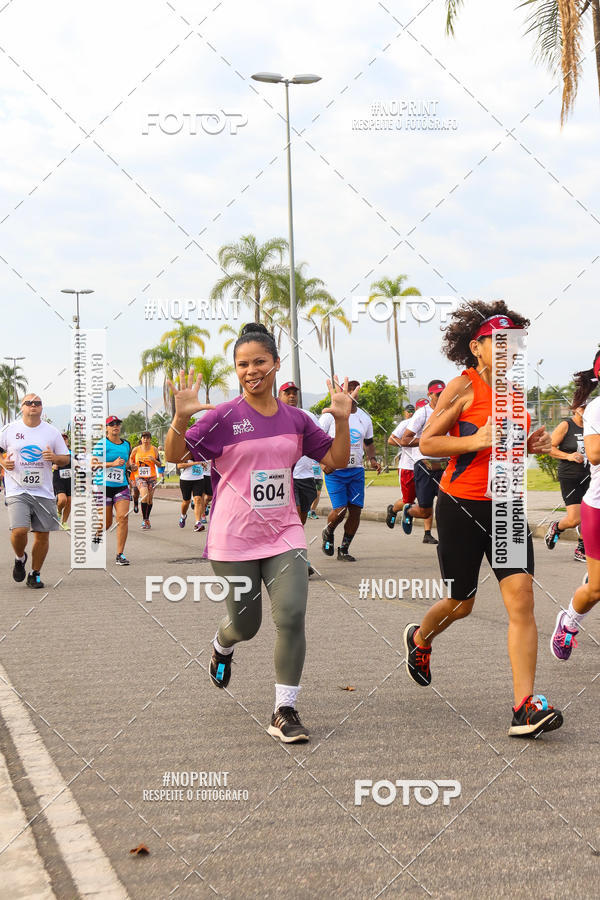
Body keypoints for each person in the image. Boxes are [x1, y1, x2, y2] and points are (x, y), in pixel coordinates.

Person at [165, 322, 352, 743]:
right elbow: (175, 456)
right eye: (243, 364)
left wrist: (341, 420)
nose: (251, 370)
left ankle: (284, 710)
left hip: (285, 532)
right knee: (245, 626)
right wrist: (179, 416)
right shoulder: (223, 418)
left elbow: (335, 461)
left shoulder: (297, 419)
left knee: (291, 616)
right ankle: (222, 643)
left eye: (259, 362)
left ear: (275, 364)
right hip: (233, 538)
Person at [403, 302, 563, 738]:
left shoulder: (516, 391)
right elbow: (429, 443)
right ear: (477, 347)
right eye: (500, 341)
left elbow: (506, 447)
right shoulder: (462, 386)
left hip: (507, 506)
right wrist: (475, 438)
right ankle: (420, 639)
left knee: (522, 599)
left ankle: (524, 707)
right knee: (462, 603)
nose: (511, 348)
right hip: (460, 507)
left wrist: (530, 444)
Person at [551, 349, 600, 660]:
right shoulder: (596, 409)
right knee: (596, 590)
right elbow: (594, 453)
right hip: (598, 508)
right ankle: (567, 625)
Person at [0, 393, 70, 588]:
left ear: (42, 408)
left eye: (37, 403)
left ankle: (35, 573)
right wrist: (3, 461)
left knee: (42, 536)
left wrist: (54, 457)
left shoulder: (52, 432)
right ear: (21, 407)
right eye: (29, 403)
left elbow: (66, 458)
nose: (33, 405)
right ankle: (19, 557)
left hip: (43, 491)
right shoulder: (9, 429)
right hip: (17, 489)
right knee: (20, 530)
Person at [319, 380, 381, 562]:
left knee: (355, 511)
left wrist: (372, 459)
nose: (353, 393)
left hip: (356, 471)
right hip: (335, 471)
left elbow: (369, 443)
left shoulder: (364, 417)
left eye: (356, 390)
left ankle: (344, 549)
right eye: (349, 389)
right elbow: (315, 439)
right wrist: (323, 462)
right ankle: (328, 531)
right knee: (340, 510)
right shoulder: (330, 415)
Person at [278, 380, 326, 576]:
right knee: (295, 518)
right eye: (287, 392)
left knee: (301, 519)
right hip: (286, 476)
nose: (291, 396)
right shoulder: (275, 416)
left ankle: (287, 552)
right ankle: (299, 560)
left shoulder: (307, 416)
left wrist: (324, 462)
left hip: (306, 475)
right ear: (279, 396)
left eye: (294, 393)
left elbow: (319, 441)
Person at [545, 405, 590, 561]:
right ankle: (557, 527)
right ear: (574, 409)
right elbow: (549, 447)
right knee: (575, 519)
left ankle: (581, 549)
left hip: (591, 476)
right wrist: (568, 456)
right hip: (571, 477)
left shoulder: (594, 425)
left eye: (587, 407)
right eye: (582, 407)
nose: (585, 410)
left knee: (590, 514)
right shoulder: (566, 425)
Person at [91, 416, 131, 565]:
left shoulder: (126, 444)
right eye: (112, 424)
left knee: (123, 518)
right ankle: (97, 534)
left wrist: (130, 467)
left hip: (121, 486)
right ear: (106, 428)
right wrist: (111, 464)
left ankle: (120, 554)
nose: (115, 426)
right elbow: (92, 465)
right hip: (103, 487)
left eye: (118, 424)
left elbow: (127, 463)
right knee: (106, 523)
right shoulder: (102, 444)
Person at [385, 402, 419, 528]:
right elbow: (391, 440)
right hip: (408, 467)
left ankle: (427, 533)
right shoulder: (405, 424)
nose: (411, 413)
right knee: (408, 500)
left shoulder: (431, 423)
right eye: (409, 411)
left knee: (426, 499)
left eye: (413, 411)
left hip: (425, 467)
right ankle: (393, 510)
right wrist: (408, 443)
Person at [129, 431, 162, 530]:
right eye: (144, 438)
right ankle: (145, 520)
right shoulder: (136, 449)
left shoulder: (154, 450)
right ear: (141, 439)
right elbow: (131, 459)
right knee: (144, 496)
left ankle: (147, 518)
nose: (145, 440)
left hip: (151, 477)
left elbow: (160, 464)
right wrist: (132, 465)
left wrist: (154, 460)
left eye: (147, 438)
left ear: (150, 439)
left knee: (150, 499)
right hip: (140, 476)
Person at [178, 458, 206, 531]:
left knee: (198, 499)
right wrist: (195, 463)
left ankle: (198, 523)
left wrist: (203, 464)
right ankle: (183, 516)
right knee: (186, 501)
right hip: (185, 479)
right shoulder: (184, 453)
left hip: (199, 479)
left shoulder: (199, 452)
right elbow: (179, 465)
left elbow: (202, 462)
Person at [52, 432, 72, 529]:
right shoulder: (54, 453)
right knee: (62, 499)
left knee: (69, 501)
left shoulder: (71, 453)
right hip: (58, 479)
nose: (64, 441)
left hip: (70, 480)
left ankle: (64, 522)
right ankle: (59, 511)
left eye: (65, 439)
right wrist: (52, 466)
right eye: (62, 439)